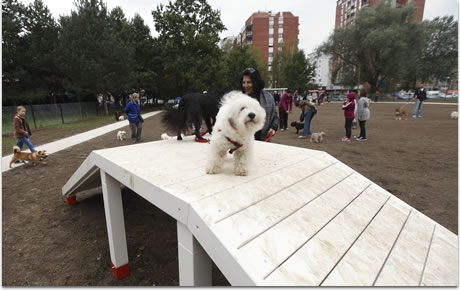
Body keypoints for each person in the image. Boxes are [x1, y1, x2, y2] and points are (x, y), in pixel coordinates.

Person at [240, 67, 278, 141]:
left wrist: (273, 127)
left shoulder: (268, 97)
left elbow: (275, 116)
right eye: (243, 82)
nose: (245, 85)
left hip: (263, 141)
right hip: (243, 142)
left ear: (256, 82)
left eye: (249, 82)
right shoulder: (239, 99)